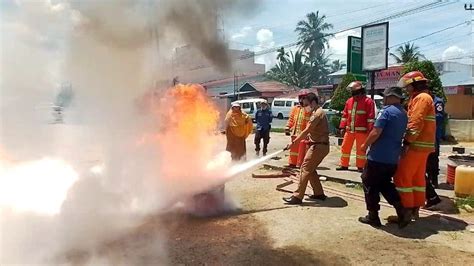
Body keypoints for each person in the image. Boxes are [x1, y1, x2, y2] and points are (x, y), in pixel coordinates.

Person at [358, 87, 411, 228]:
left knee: (369, 184)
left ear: (393, 97)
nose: (384, 99)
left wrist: (364, 145)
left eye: (386, 97)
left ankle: (373, 216)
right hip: (392, 158)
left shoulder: (386, 112)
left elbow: (376, 132)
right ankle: (402, 210)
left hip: (378, 157)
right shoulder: (403, 113)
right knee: (385, 184)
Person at [393, 71, 436, 220]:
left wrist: (407, 142)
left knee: (402, 177)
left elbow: (415, 122)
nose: (406, 89)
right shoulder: (423, 97)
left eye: (407, 86)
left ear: (414, 84)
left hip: (415, 145)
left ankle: (405, 211)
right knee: (417, 179)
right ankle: (414, 210)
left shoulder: (421, 98)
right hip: (422, 146)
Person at [283, 93, 330, 204]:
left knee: (305, 169)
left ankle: (297, 197)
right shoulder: (316, 112)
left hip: (319, 146)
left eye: (306, 105)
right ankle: (319, 194)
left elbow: (306, 131)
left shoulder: (317, 114)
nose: (305, 108)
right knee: (310, 169)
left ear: (313, 102)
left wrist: (293, 143)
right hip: (319, 145)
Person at [337, 81, 375, 173]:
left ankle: (360, 166)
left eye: (354, 92)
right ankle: (344, 164)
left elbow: (370, 118)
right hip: (349, 130)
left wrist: (369, 131)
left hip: (362, 132)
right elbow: (345, 115)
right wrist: (342, 127)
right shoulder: (349, 101)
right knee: (345, 147)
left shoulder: (368, 102)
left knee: (361, 149)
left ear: (360, 91)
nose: (352, 94)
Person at [424, 95, 445, 208]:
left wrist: (425, 115)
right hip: (424, 137)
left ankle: (434, 180)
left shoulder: (437, 102)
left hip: (433, 136)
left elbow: (440, 117)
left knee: (433, 160)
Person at [285, 89, 311, 168]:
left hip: (304, 135)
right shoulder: (295, 108)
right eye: (301, 98)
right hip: (295, 133)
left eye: (304, 98)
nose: (302, 100)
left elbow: (311, 121)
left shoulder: (309, 109)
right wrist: (287, 127)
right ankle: (292, 163)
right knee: (293, 150)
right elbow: (291, 119)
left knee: (303, 150)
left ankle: (301, 163)